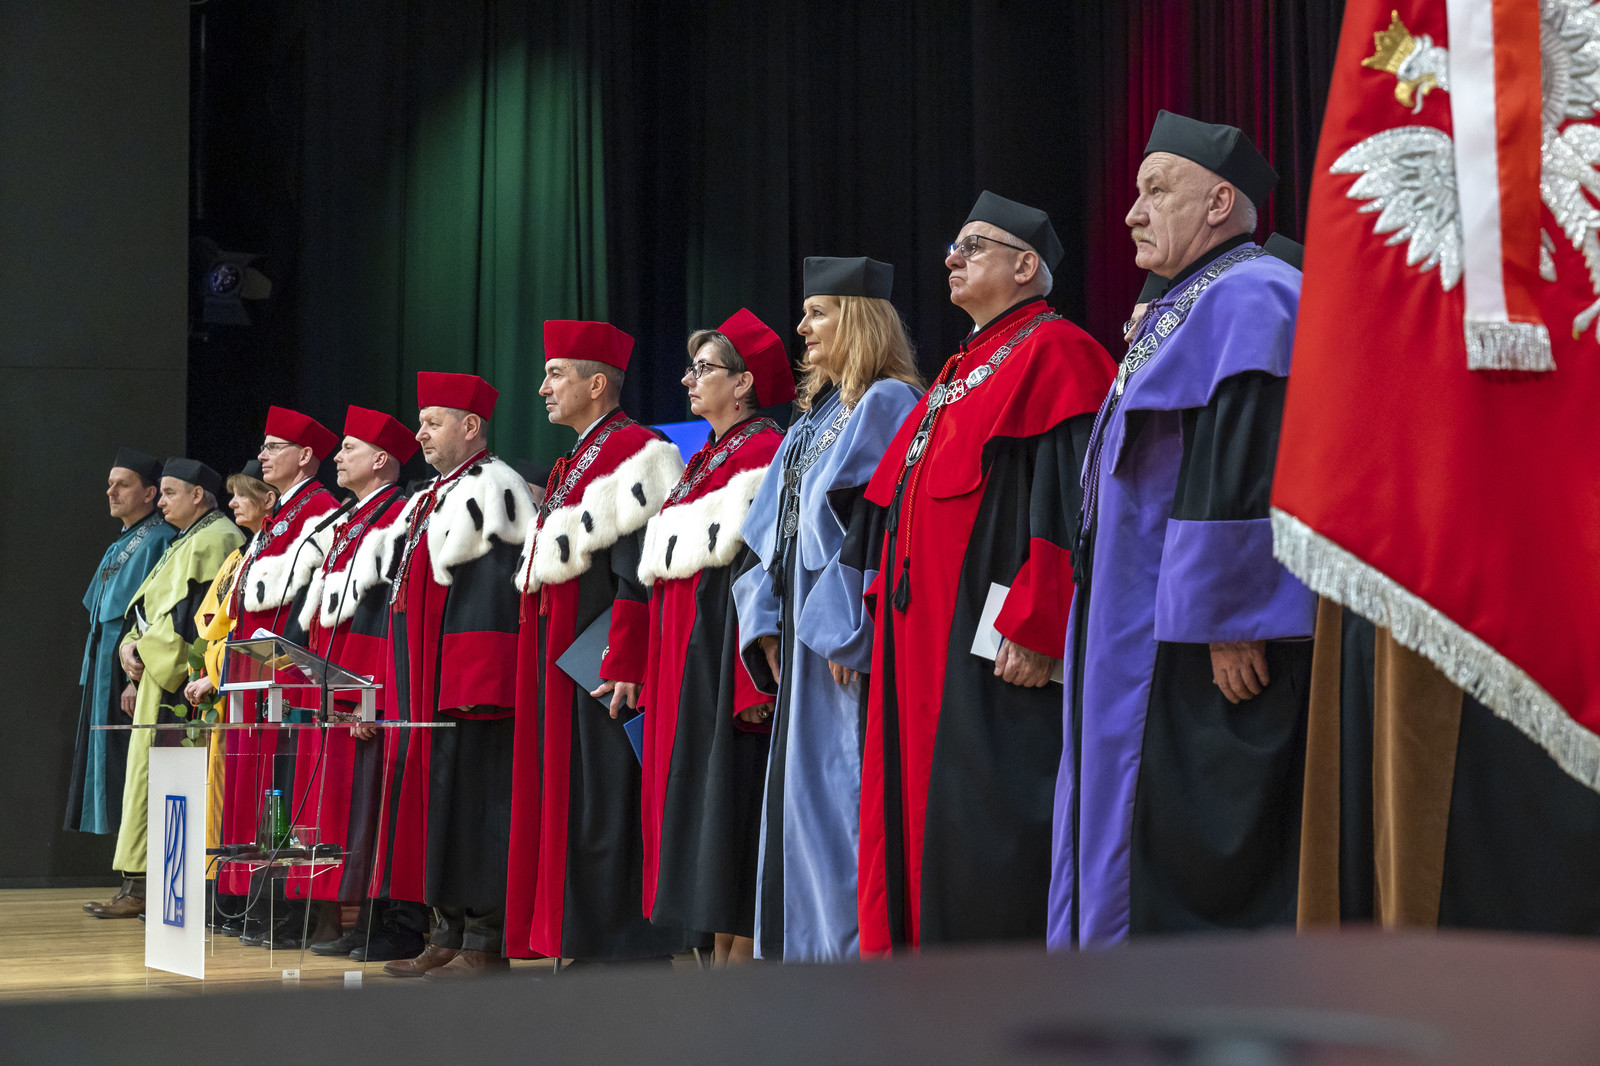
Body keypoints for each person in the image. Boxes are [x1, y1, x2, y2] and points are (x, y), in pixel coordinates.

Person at [1048, 111, 1316, 948]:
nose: (1133, 212)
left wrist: (1231, 616)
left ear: (1219, 202)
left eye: (1156, 191)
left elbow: (1247, 454)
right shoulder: (1183, 304)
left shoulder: (1253, 294)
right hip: (1132, 615)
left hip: (1193, 631)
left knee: (1181, 838)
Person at [854, 193, 1116, 953]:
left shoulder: (1057, 351)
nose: (952, 257)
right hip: (917, 637)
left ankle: (984, 997)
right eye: (954, 244)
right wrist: (877, 594)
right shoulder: (958, 370)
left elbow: (1072, 499)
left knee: (983, 821)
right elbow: (898, 497)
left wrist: (1039, 621)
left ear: (1026, 265)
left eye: (973, 245)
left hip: (988, 642)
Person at [732, 257, 922, 961]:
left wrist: (848, 629)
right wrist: (765, 625)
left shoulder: (888, 402)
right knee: (802, 801)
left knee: (841, 796)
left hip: (838, 640)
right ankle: (804, 966)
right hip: (800, 639)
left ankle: (844, 965)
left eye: (819, 313)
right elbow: (769, 531)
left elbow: (876, 522)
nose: (802, 327)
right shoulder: (812, 420)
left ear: (860, 320)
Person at [506, 320, 688, 967]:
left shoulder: (637, 449)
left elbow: (641, 567)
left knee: (607, 796)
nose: (542, 389)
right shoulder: (574, 460)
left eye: (555, 375)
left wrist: (627, 657)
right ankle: (581, 939)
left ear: (596, 384)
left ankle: (622, 946)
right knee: (575, 797)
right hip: (564, 655)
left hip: (602, 658)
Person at [637, 309, 789, 966]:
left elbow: (761, 573)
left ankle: (741, 956)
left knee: (731, 799)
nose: (688, 380)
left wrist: (750, 680)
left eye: (704, 369)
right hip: (686, 658)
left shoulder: (762, 453)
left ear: (744, 382)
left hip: (725, 659)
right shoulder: (706, 458)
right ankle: (715, 949)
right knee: (697, 803)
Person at [371, 372, 533, 980]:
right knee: (439, 809)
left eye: (432, 423)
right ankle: (448, 929)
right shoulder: (433, 495)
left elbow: (494, 594)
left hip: (467, 686)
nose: (420, 434)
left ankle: (485, 940)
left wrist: (476, 686)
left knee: (477, 809)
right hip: (424, 682)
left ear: (470, 426)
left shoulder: (496, 486)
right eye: (420, 423)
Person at [296, 406, 430, 962]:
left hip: (370, 686)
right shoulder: (352, 519)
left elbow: (380, 616)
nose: (338, 456)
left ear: (381, 460)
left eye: (349, 447)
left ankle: (393, 925)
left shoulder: (395, 516)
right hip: (339, 684)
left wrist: (361, 694)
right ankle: (367, 923)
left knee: (379, 809)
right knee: (356, 812)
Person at [85, 459, 243, 918]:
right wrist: (128, 647)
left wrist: (147, 652)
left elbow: (196, 621)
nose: (162, 502)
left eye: (170, 493)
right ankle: (141, 884)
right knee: (147, 780)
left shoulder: (218, 539)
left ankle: (160, 888)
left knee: (169, 783)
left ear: (197, 495)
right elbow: (150, 611)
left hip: (183, 682)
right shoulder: (186, 538)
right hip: (157, 673)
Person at [217, 406, 342, 921]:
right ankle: (252, 895)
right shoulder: (283, 515)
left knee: (281, 786)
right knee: (257, 783)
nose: (262, 455)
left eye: (273, 447)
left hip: (286, 675)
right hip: (256, 673)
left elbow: (304, 609)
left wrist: (283, 671)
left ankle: (285, 906)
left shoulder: (319, 509)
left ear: (305, 455)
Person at [181, 461, 276, 922]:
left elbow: (245, 628)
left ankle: (233, 895)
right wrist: (204, 667)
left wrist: (217, 673)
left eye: (242, 495)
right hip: (221, 683)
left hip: (245, 685)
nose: (232, 503)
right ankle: (217, 890)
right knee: (216, 793)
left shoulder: (268, 553)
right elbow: (210, 621)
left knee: (236, 796)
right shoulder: (240, 555)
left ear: (267, 500)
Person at [65, 448, 176, 840]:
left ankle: (136, 864)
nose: (111, 492)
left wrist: (134, 679)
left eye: (122, 485)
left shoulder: (160, 539)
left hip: (129, 671)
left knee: (125, 765)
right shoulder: (126, 540)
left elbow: (152, 612)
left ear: (150, 493)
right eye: (110, 484)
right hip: (105, 666)